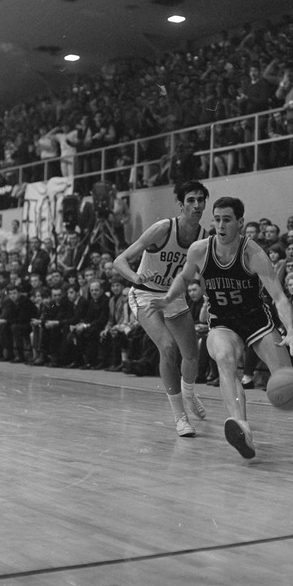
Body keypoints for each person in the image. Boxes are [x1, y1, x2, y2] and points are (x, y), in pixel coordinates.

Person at [149, 196, 293, 461]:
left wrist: (292, 330)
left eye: (227, 220)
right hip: (222, 323)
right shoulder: (200, 250)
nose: (220, 225)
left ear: (240, 222)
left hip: (255, 321)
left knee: (286, 378)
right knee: (225, 359)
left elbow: (280, 297)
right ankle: (241, 427)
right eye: (216, 219)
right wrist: (169, 297)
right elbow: (183, 277)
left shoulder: (253, 253)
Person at [113, 180, 210, 437]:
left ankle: (189, 395)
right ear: (180, 204)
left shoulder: (203, 238)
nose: (197, 205)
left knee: (191, 355)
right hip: (145, 295)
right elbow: (119, 260)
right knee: (167, 347)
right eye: (191, 200)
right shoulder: (163, 229)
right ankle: (180, 417)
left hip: (172, 297)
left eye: (201, 200)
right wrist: (135, 277)